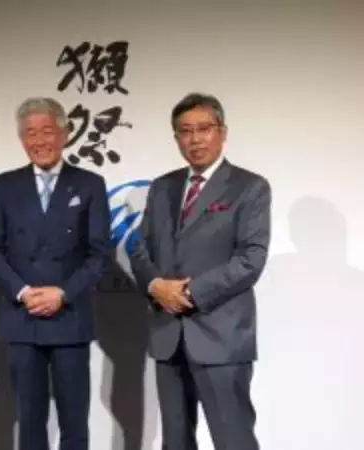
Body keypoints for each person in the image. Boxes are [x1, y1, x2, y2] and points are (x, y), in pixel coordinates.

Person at [129, 92, 271, 450]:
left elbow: (250, 259)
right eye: (185, 131)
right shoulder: (162, 187)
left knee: (233, 440)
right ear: (176, 137)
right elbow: (140, 249)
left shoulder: (249, 187)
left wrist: (189, 293)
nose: (195, 139)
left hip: (221, 336)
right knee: (175, 441)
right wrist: (156, 285)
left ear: (222, 132)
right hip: (167, 335)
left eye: (203, 129)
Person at [0, 97, 111, 450]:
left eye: (47, 131)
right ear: (22, 139)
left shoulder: (89, 184)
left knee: (74, 423)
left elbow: (99, 253)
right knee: (29, 421)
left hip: (70, 317)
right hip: (22, 318)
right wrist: (23, 292)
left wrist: (63, 294)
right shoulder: (4, 186)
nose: (39, 141)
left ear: (65, 133)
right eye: (30, 133)